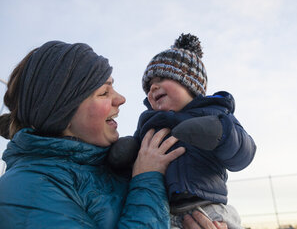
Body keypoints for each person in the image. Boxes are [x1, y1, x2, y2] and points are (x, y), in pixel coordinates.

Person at [0, 40, 227, 229]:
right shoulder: (25, 192)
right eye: (104, 92)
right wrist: (148, 179)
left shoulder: (111, 165)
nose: (121, 99)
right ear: (62, 112)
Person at [109, 34, 257, 229]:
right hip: (164, 211)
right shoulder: (149, 123)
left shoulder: (216, 114)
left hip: (209, 208)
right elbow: (139, 156)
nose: (153, 87)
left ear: (189, 83)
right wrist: (126, 151)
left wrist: (221, 133)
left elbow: (243, 155)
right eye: (148, 87)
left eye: (162, 78)